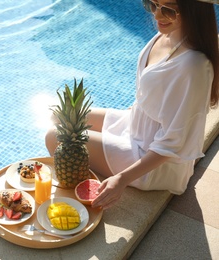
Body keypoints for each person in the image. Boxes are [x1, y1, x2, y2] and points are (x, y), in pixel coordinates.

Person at [45, 0, 219, 209]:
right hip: (135, 124)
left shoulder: (194, 66)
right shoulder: (168, 35)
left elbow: (174, 142)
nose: (157, 15)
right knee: (60, 115)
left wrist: (123, 179)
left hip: (152, 159)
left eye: (169, 10)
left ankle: (79, 196)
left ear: (194, 11)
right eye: (152, 4)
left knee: (54, 137)